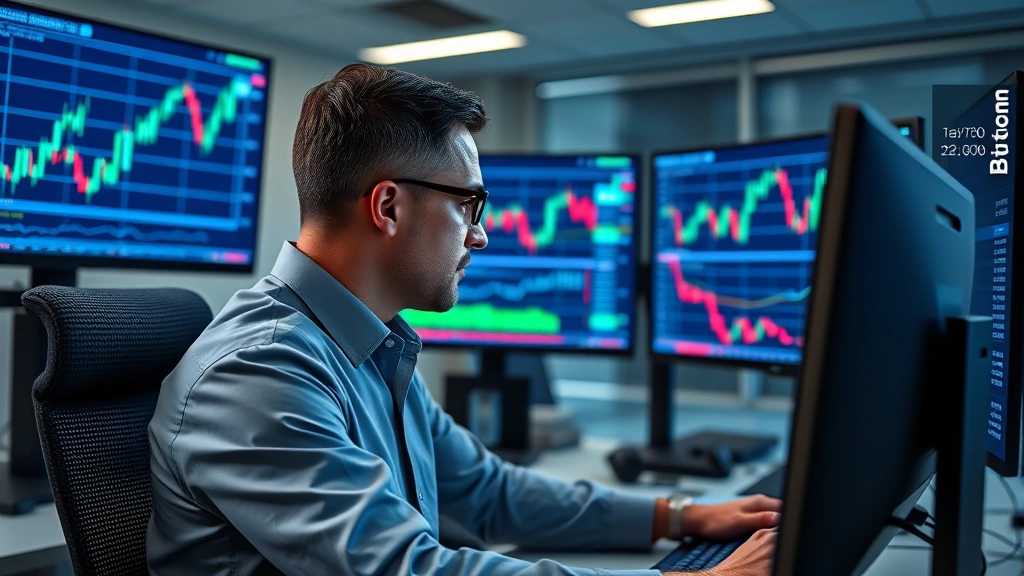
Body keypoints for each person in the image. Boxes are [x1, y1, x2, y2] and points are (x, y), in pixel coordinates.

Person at [146, 63, 781, 576]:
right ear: (388, 207)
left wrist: (682, 517)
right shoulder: (260, 371)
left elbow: (488, 491)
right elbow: (405, 569)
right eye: (468, 205)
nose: (480, 236)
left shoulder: (373, 344)